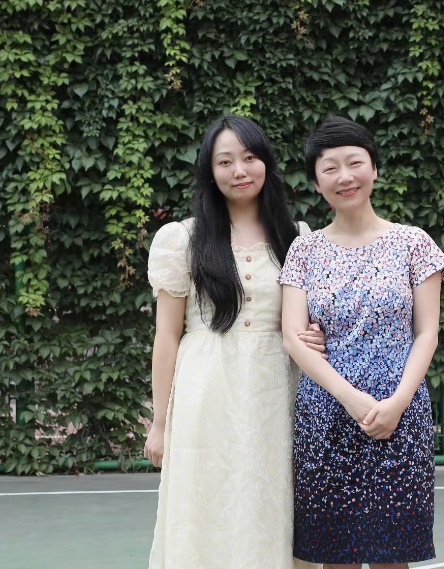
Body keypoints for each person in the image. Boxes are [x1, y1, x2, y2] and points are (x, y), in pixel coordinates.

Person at [144, 115, 323, 569]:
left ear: (266, 163)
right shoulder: (182, 238)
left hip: (277, 391)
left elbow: (305, 323)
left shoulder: (297, 238)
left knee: (270, 498)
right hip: (206, 392)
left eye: (249, 157)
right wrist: (159, 423)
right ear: (209, 170)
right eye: (225, 161)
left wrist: (314, 334)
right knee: (206, 503)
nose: (239, 170)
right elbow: (167, 335)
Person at [278, 116, 444, 569]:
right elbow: (293, 337)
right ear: (316, 182)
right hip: (325, 415)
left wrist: (397, 403)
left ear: (374, 168)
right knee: (335, 557)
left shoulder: (414, 243)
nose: (345, 176)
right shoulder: (304, 250)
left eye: (355, 162)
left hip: (400, 412)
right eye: (329, 168)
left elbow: (427, 332)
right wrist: (351, 399)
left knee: (394, 555)